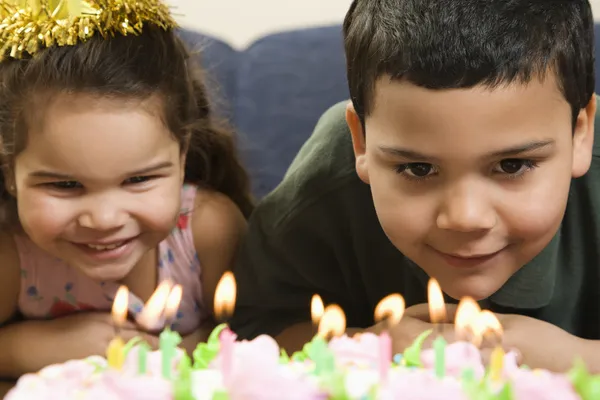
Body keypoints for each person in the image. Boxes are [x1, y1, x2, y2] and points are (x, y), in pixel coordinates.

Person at [230, 0, 600, 373]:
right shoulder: (322, 186)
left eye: (512, 165)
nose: (464, 218)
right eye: (419, 169)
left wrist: (580, 358)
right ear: (360, 141)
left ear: (581, 131)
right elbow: (250, 333)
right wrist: (362, 346)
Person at [0, 0, 250, 380]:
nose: (104, 219)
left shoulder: (208, 231)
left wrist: (170, 354)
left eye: (138, 180)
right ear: (9, 172)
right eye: (65, 185)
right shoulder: (13, 259)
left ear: (182, 156)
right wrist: (26, 347)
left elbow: (261, 338)